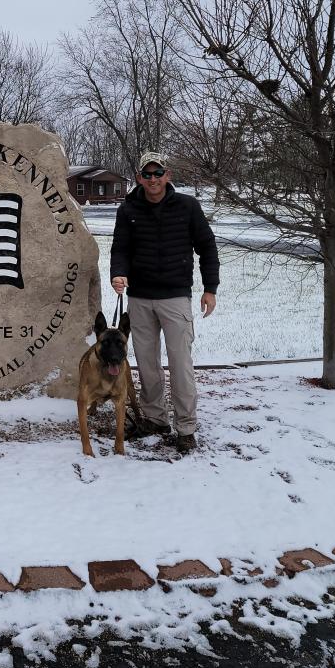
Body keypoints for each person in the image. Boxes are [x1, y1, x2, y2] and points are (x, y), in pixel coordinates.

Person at [109, 152, 219, 454]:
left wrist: (210, 288)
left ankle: (186, 427)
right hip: (140, 299)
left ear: (168, 175)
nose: (153, 179)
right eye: (148, 174)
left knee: (181, 365)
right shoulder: (128, 209)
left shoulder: (187, 206)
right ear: (139, 177)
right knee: (147, 364)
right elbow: (120, 248)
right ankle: (155, 419)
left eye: (159, 173)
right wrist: (118, 273)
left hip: (175, 297)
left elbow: (207, 247)